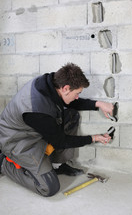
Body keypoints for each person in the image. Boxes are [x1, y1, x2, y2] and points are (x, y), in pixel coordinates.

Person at [0, 63, 113, 197]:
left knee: (71, 115)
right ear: (65, 88)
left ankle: (60, 165)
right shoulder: (37, 110)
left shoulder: (50, 84)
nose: (77, 97)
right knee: (49, 187)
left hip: (33, 130)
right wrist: (94, 138)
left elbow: (69, 101)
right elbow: (61, 141)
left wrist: (98, 104)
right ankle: (4, 163)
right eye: (77, 93)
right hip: (17, 141)